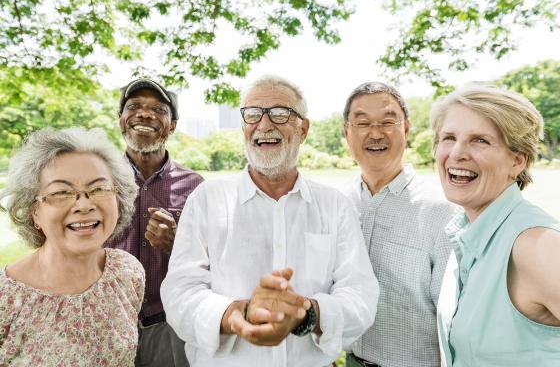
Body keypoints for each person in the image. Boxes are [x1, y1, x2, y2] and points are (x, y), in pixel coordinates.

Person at [161, 75, 379, 367]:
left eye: (280, 113)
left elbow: (361, 295)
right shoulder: (207, 199)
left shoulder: (334, 205)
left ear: (303, 129)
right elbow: (180, 293)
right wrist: (236, 315)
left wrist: (307, 313)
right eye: (253, 114)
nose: (264, 125)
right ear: (243, 127)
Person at [432, 86, 560, 366]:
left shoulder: (536, 245)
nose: (457, 153)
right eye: (448, 138)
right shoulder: (464, 235)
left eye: (480, 140)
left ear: (517, 160)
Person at [0, 127, 144, 366]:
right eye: (62, 192)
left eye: (98, 188)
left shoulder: (127, 272)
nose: (84, 205)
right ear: (34, 211)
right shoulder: (6, 298)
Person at [342, 82, 457, 367]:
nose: (376, 133)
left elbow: (452, 317)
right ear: (346, 132)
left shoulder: (441, 209)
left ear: (406, 128)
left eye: (388, 121)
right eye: (363, 123)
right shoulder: (338, 204)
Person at [105, 77, 204, 366]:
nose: (145, 114)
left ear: (172, 125)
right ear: (121, 119)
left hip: (169, 325)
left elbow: (214, 262)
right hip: (107, 321)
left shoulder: (196, 186)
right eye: (134, 106)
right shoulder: (98, 179)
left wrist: (178, 243)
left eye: (159, 109)